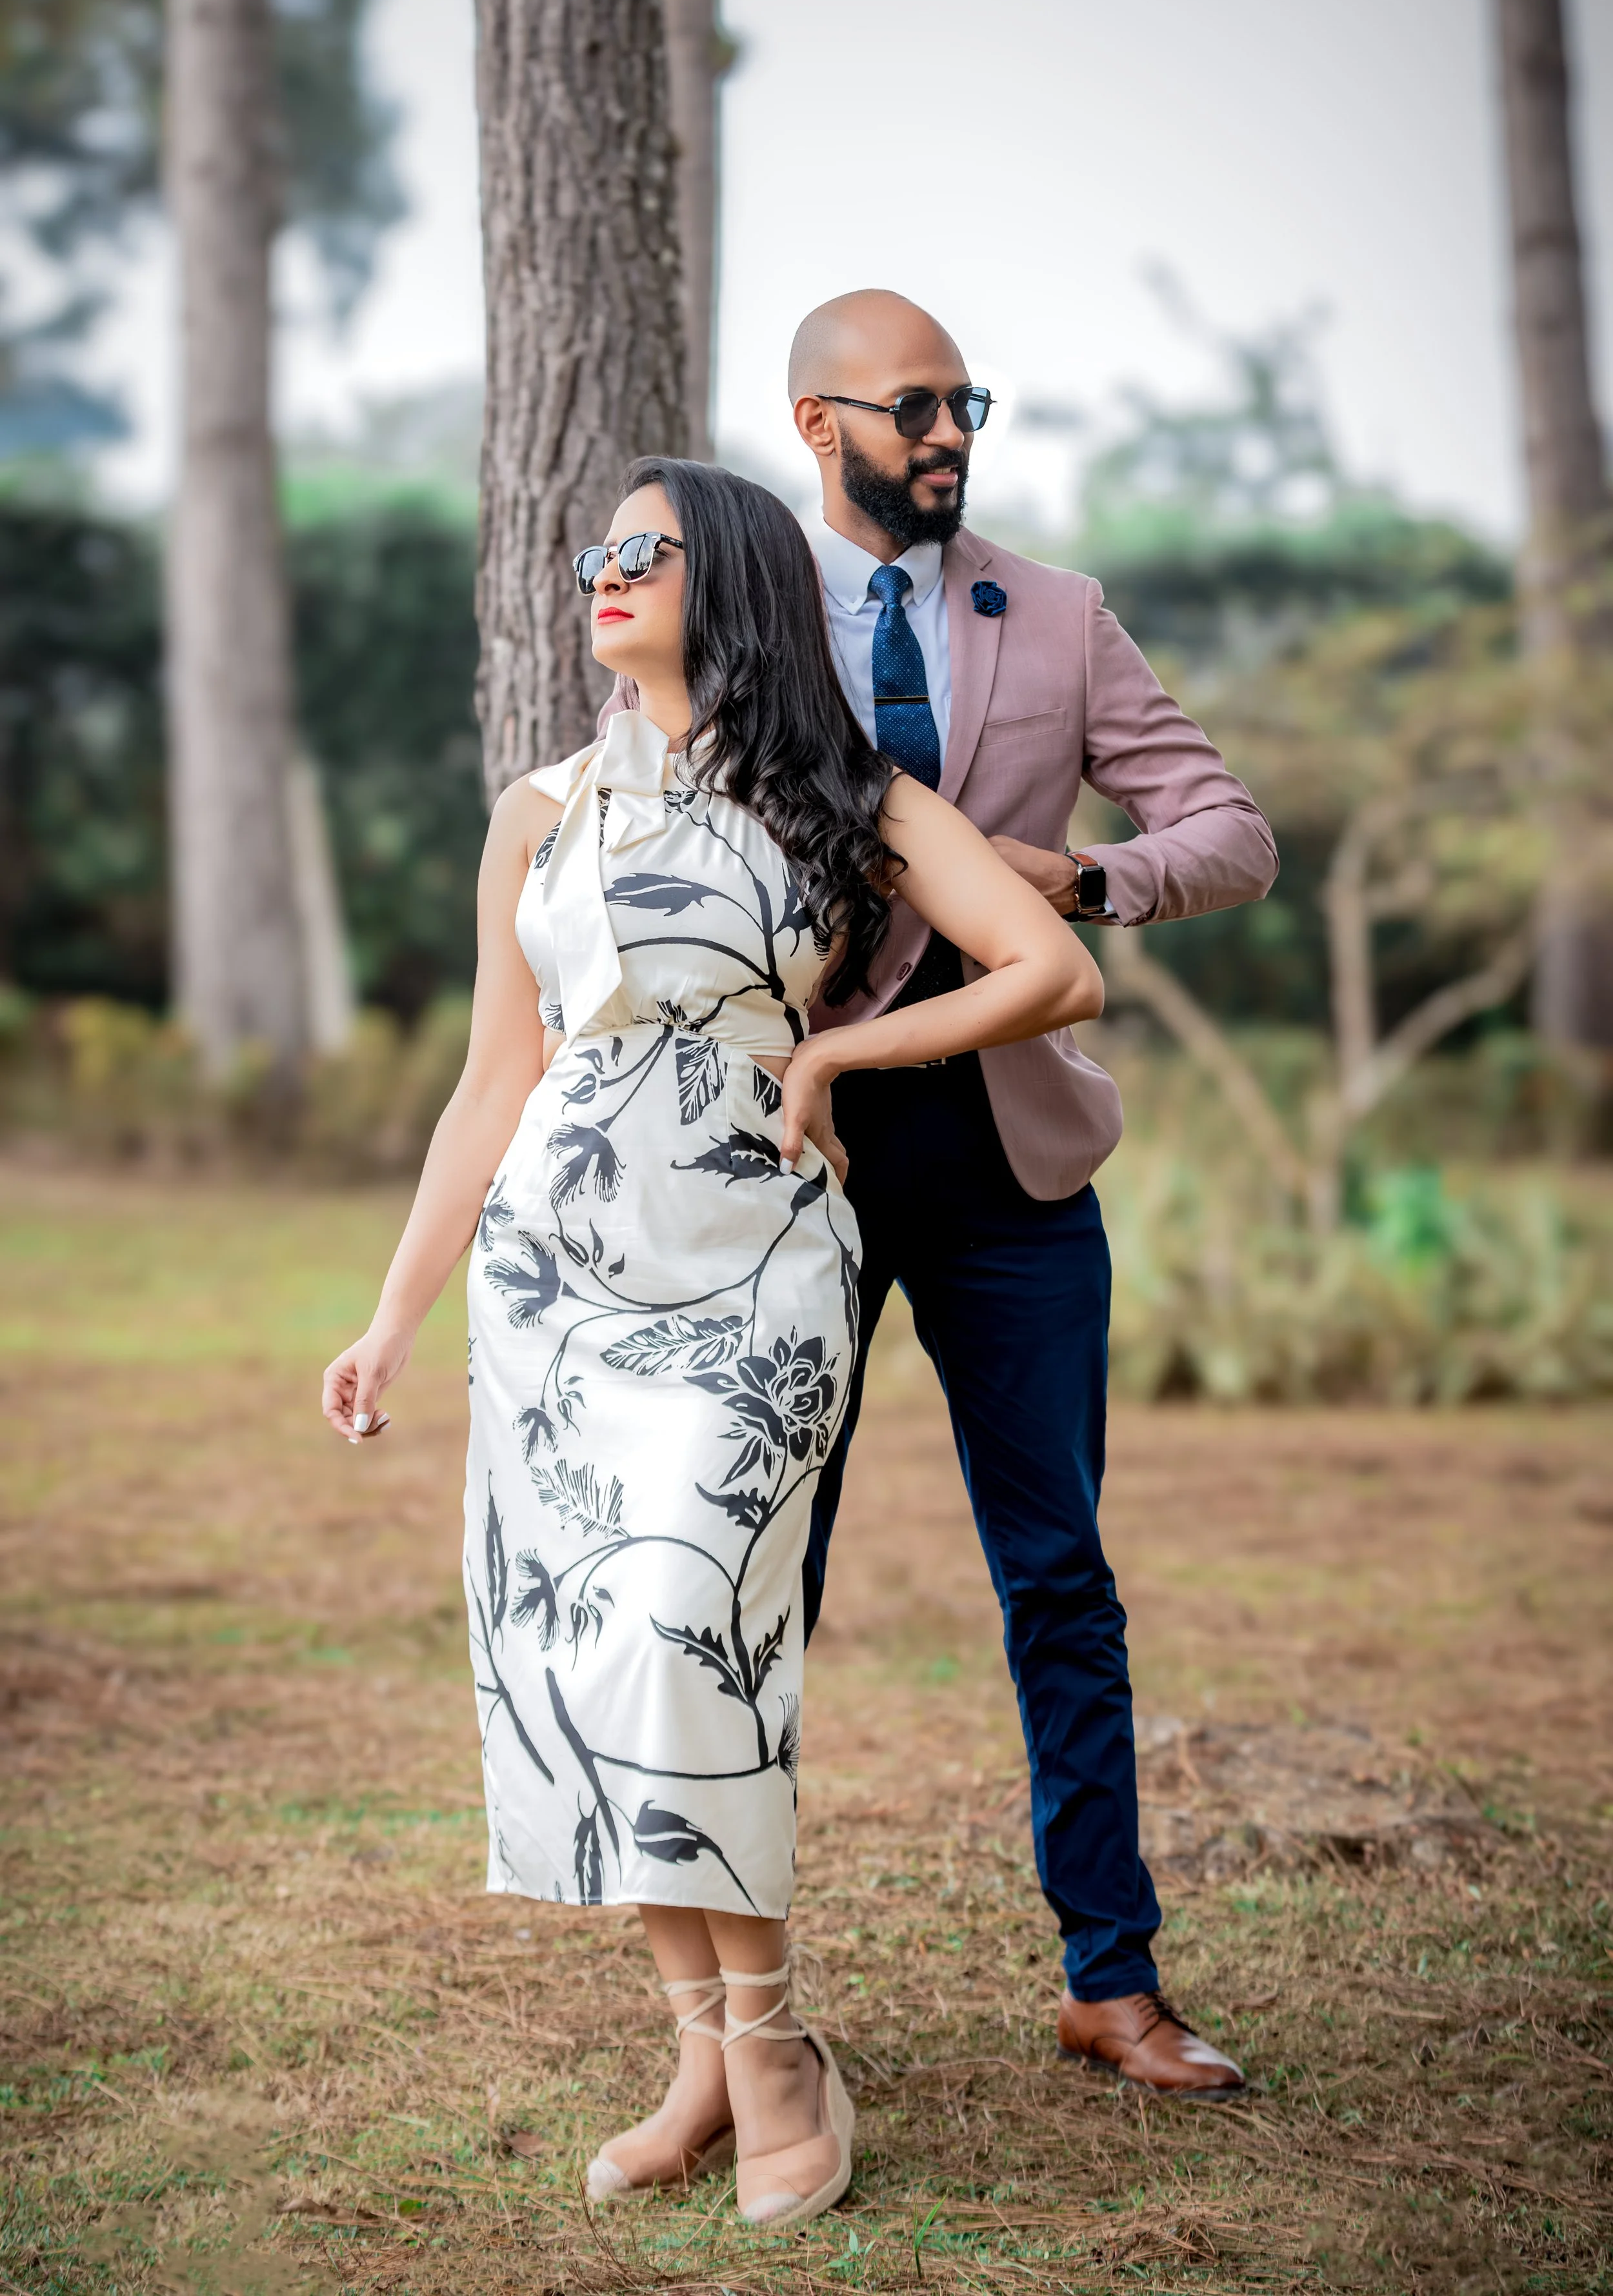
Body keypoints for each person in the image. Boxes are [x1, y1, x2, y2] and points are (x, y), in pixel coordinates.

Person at [321, 456, 1103, 2223]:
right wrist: (390, 1313)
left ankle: (772, 2049)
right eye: (595, 553)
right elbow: (491, 1080)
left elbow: (1048, 969)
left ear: (729, 575)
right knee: (604, 1654)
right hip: (553, 1284)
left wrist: (835, 1056)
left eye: (644, 553)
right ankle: (713, 2048)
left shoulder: (848, 791)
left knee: (689, 1621)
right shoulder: (534, 811)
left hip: (752, 1266)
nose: (607, 575)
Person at [790, 290, 1279, 2098]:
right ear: (813, 416)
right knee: (767, 1573)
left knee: (1057, 1568)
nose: (946, 433)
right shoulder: (747, 609)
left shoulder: (1057, 614)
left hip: (1009, 1153)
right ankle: (738, 2011)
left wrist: (1069, 880)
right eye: (910, 404)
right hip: (798, 1155)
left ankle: (1112, 1974)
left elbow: (1230, 833)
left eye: (964, 403)